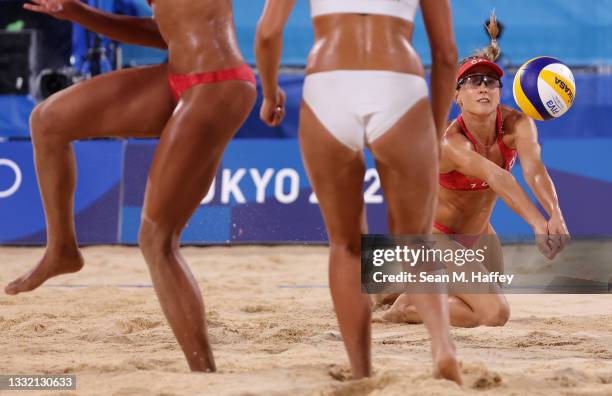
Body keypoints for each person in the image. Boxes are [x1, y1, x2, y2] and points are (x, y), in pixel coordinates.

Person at [6, 0, 257, 372]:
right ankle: (61, 250)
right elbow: (165, 33)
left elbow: (267, 34)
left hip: (216, 83)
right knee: (48, 120)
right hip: (181, 75)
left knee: (156, 241)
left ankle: (203, 375)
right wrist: (76, 12)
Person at [255, 0, 462, 384]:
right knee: (414, 241)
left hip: (328, 83)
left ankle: (362, 371)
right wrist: (433, 132)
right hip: (398, 80)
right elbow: (447, 54)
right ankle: (443, 348)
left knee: (346, 245)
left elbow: (267, 33)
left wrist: (269, 92)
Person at [381, 14, 570, 328]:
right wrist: (538, 223)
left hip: (479, 236)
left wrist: (556, 214)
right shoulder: (451, 142)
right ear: (457, 96)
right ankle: (401, 309)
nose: (483, 87)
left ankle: (403, 290)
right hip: (435, 237)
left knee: (485, 288)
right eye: (472, 81)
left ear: (499, 91)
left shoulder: (518, 125)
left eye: (490, 81)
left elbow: (535, 171)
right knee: (494, 313)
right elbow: (499, 177)